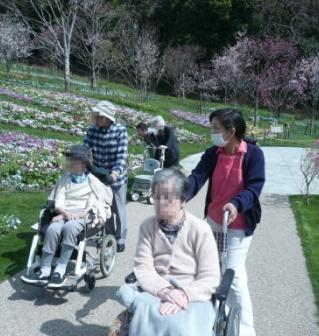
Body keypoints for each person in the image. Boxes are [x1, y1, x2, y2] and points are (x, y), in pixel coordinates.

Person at [186, 108, 265, 336]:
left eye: (216, 129)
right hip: (214, 220)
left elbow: (254, 187)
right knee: (210, 269)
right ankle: (212, 318)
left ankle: (246, 330)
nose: (212, 133)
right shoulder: (213, 153)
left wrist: (236, 204)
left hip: (239, 224)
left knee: (234, 274)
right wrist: (181, 194)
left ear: (231, 132)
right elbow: (197, 176)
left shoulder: (253, 155)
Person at [116, 168, 220, 336]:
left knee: (183, 328)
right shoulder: (147, 226)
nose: (159, 202)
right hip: (157, 289)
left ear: (182, 200)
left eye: (167, 197)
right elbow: (143, 269)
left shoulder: (201, 230)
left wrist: (184, 295)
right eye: (156, 196)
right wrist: (165, 291)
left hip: (192, 293)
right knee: (134, 300)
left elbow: (210, 277)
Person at [21, 145, 113, 287]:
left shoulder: (93, 182)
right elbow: (59, 201)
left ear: (83, 163)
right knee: (53, 229)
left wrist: (70, 216)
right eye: (69, 160)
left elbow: (92, 207)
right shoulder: (65, 179)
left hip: (82, 215)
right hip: (63, 212)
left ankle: (60, 269)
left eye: (73, 160)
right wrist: (63, 213)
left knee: (70, 228)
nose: (70, 163)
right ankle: (45, 269)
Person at [84, 100, 128, 252]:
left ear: (106, 117)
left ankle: (121, 237)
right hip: (98, 177)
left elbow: (122, 156)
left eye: (98, 115)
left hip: (115, 177)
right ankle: (109, 236)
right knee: (105, 208)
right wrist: (76, 160)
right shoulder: (92, 130)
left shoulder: (120, 130)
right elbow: (84, 149)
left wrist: (115, 173)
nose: (95, 118)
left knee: (118, 209)